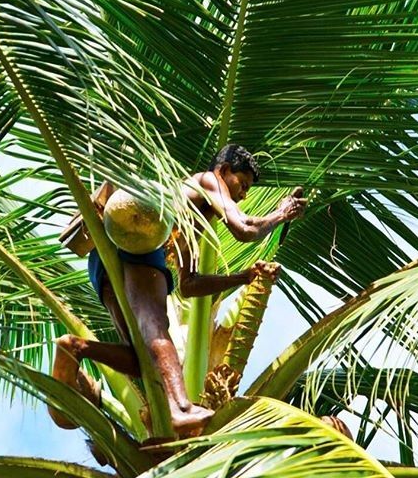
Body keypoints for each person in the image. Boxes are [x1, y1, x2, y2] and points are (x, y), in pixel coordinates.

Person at [49, 144, 307, 436]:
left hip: (105, 258)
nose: (243, 195)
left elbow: (190, 284)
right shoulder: (209, 181)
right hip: (140, 241)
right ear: (223, 171)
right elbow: (244, 228)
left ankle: (74, 348)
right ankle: (181, 410)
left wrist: (243, 278)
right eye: (242, 184)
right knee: (156, 330)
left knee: (140, 360)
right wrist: (281, 214)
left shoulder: (195, 221)